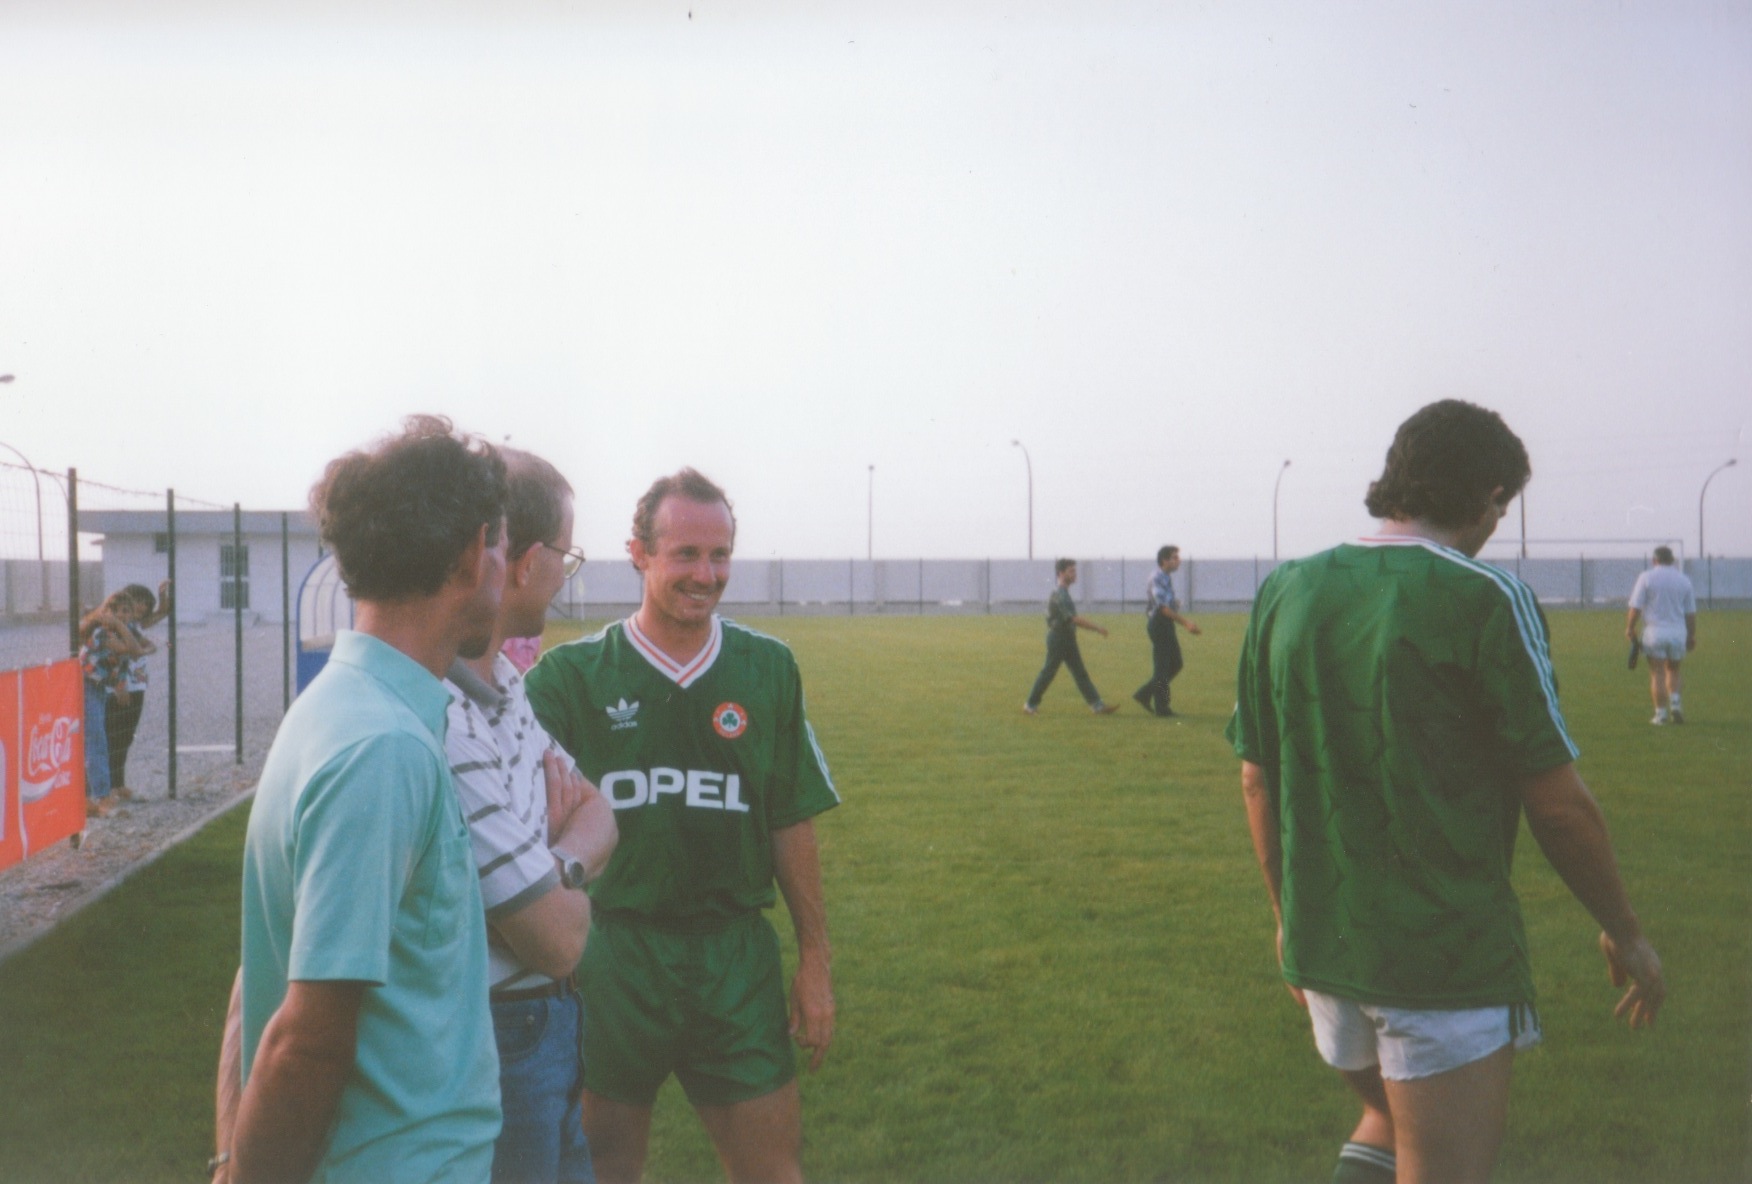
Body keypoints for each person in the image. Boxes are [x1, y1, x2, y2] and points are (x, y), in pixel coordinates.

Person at [1227, 400, 1665, 1184]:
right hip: (1443, 957)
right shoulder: (1486, 596)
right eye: (1504, 504)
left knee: (1387, 1124)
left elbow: (1257, 778)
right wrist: (1626, 932)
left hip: (1325, 943)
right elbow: (1558, 803)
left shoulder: (1286, 588)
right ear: (1489, 494)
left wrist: (1286, 918)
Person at [212, 416, 509, 1184]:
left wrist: (229, 1157)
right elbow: (304, 1042)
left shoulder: (343, 708)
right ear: (474, 553)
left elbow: (257, 978)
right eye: (504, 547)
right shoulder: (384, 748)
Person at [525, 467, 839, 1184]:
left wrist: (815, 960)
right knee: (605, 1169)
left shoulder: (767, 668)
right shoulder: (570, 678)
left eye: (720, 555)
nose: (706, 574)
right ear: (638, 553)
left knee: (772, 1171)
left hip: (734, 957)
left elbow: (790, 819)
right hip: (613, 956)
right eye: (686, 554)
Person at [444, 448, 618, 1184]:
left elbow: (600, 810)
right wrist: (565, 871)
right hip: (504, 1034)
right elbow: (557, 940)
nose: (564, 577)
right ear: (525, 561)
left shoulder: (508, 684)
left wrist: (554, 865)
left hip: (547, 1028)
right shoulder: (442, 713)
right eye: (566, 557)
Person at [76, 590, 148, 815]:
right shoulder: (104, 633)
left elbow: (136, 652)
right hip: (86, 686)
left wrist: (120, 684)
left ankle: (89, 797)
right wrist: (118, 625)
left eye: (128, 611)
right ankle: (102, 798)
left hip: (98, 686)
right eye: (119, 612)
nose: (125, 616)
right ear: (108, 613)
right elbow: (135, 650)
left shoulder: (121, 631)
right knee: (96, 740)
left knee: (97, 739)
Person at [1023, 558, 1119, 715]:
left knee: (1080, 672)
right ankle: (1030, 704)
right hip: (1059, 638)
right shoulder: (1060, 594)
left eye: (1075, 571)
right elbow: (1074, 619)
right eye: (1071, 571)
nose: (1075, 574)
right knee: (1049, 672)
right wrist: (1097, 628)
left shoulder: (1063, 593)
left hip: (1067, 638)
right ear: (1061, 573)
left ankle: (1097, 705)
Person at [106, 580, 173, 795]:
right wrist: (119, 684)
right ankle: (106, 787)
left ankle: (118, 784)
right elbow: (111, 658)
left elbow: (163, 612)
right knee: (113, 736)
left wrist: (162, 596)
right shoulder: (114, 627)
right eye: (138, 601)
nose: (142, 607)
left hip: (137, 686)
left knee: (126, 736)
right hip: (120, 688)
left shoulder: (135, 625)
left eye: (146, 603)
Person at [1626, 546, 1697, 724]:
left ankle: (1661, 714)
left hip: (1655, 632)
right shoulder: (1684, 580)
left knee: (1657, 673)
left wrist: (1630, 627)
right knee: (1674, 670)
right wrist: (1691, 635)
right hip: (1678, 632)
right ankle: (1676, 705)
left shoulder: (1646, 577)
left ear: (1654, 560)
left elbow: (1636, 607)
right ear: (1672, 560)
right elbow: (1690, 613)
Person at [1131, 546, 1199, 717]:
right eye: (1174, 557)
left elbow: (1166, 604)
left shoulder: (1165, 577)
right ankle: (1162, 707)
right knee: (1162, 668)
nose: (1178, 560)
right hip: (1159, 623)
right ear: (1164, 561)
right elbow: (1162, 608)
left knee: (1175, 664)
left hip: (1165, 623)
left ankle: (1145, 694)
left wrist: (1175, 604)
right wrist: (1186, 623)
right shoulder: (1157, 578)